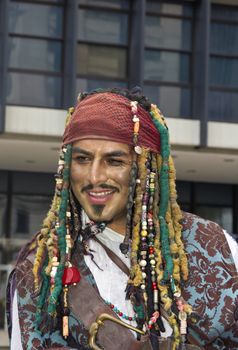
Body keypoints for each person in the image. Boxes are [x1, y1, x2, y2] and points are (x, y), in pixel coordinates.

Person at [6, 88, 238, 350]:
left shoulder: (215, 247)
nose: (94, 177)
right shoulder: (40, 270)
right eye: (82, 159)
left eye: (114, 161)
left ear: (146, 167)